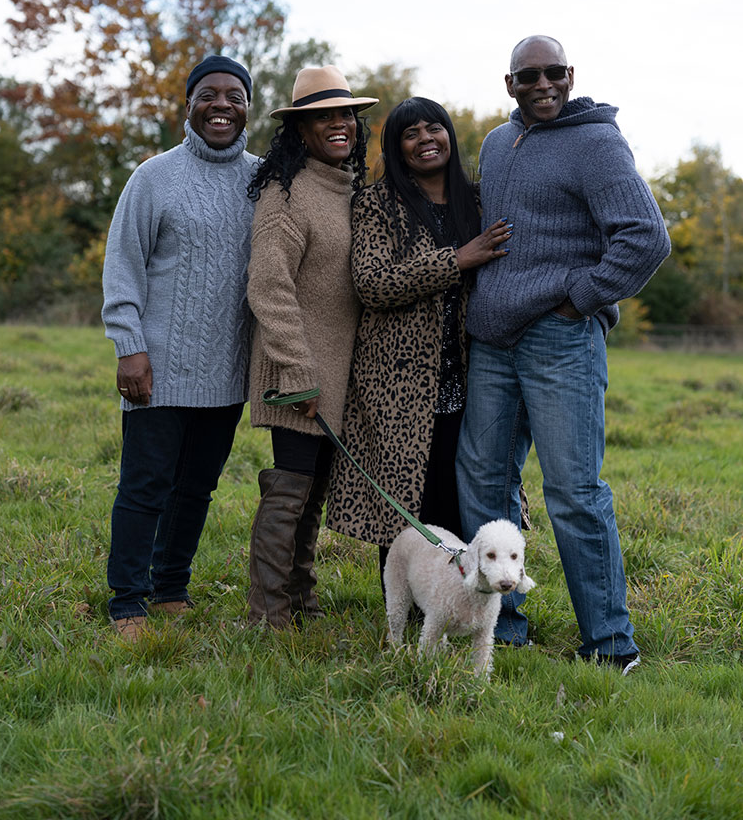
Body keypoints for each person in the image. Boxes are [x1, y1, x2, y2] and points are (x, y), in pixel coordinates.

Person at [455, 35, 670, 671]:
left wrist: (581, 295)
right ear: (510, 83)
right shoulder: (498, 142)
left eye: (553, 73)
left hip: (560, 337)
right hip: (494, 338)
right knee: (483, 481)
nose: (542, 84)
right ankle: (504, 625)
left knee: (574, 492)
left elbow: (645, 236)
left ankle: (610, 645)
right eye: (529, 76)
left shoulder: (597, 142)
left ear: (570, 74)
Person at [325, 97, 519, 586]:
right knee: (408, 501)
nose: (425, 139)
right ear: (396, 146)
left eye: (435, 128)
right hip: (396, 380)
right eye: (411, 133)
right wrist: (458, 259)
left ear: (450, 136)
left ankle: (467, 603)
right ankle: (406, 610)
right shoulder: (375, 203)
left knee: (465, 495)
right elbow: (372, 282)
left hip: (475, 373)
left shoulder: (476, 202)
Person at [102, 55, 258, 642]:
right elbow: (123, 268)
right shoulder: (153, 177)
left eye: (235, 95)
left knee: (197, 486)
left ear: (248, 106)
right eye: (208, 95)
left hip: (226, 371)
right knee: (145, 486)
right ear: (187, 105)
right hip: (158, 368)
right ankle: (127, 602)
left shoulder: (262, 178)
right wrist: (128, 347)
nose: (222, 104)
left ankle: (170, 588)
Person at [245, 65, 377, 628]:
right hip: (295, 370)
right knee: (288, 491)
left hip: (336, 375)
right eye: (325, 116)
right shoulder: (286, 193)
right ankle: (267, 615)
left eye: (346, 113)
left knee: (312, 492)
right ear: (301, 129)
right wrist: (298, 369)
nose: (340, 124)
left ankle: (302, 598)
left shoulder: (347, 190)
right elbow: (267, 285)